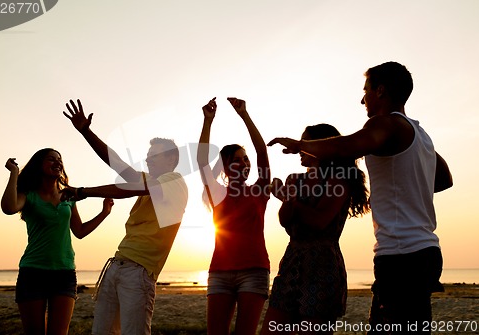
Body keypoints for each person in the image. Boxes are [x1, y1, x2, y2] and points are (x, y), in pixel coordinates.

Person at [268, 62, 453, 333]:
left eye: (365, 90)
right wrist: (408, 187)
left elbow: (347, 146)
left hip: (402, 256)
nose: (362, 98)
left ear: (380, 91)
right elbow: (444, 179)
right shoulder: (420, 136)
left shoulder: (386, 124)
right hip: (422, 253)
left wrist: (300, 145)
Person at [62, 99, 188, 335]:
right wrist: (86, 132)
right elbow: (117, 163)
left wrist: (83, 192)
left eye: (155, 155)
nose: (148, 159)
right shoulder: (147, 181)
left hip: (139, 272)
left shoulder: (174, 181)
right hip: (116, 265)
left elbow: (126, 188)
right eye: (148, 155)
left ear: (171, 159)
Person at [261, 124, 370, 334]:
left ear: (322, 147)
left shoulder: (339, 181)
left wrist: (290, 200)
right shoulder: (295, 178)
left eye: (307, 143)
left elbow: (320, 221)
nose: (301, 149)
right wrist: (287, 198)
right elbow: (285, 221)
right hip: (292, 259)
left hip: (323, 265)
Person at [1, 148, 114, 335]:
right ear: (39, 165)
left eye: (59, 160)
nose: (57, 162)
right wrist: (14, 173)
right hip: (33, 272)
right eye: (51, 159)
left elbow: (79, 231)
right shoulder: (28, 195)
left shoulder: (68, 197)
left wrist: (104, 213)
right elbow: (9, 207)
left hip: (64, 273)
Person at [197, 97, 271, 335]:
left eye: (245, 159)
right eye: (236, 160)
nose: (243, 163)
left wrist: (244, 115)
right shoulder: (217, 193)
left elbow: (261, 151)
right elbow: (201, 161)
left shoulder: (259, 190)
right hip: (219, 272)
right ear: (226, 168)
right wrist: (208, 121)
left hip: (255, 270)